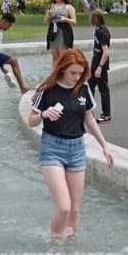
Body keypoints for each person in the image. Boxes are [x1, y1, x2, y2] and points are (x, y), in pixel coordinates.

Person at [27, 49, 113, 243]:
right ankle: (54, 244)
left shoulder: (83, 89)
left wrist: (104, 145)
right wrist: (43, 114)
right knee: (64, 206)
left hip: (76, 149)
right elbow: (31, 120)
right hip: (52, 148)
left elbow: (89, 118)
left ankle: (71, 248)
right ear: (63, 69)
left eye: (80, 73)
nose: (77, 77)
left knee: (74, 209)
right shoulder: (46, 90)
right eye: (73, 73)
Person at [0, 12, 30, 92]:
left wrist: (2, 67)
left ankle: (22, 87)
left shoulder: (0, 32)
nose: (9, 27)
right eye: (9, 25)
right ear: (4, 21)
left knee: (13, 61)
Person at [44, 0, 77, 67]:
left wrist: (65, 19)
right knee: (55, 57)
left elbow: (74, 21)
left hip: (63, 32)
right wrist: (48, 15)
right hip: (53, 32)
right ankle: (55, 75)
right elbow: (46, 21)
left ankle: (63, 74)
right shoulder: (51, 6)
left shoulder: (68, 7)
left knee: (63, 57)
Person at [89, 11, 112, 123]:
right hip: (95, 64)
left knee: (103, 90)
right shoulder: (98, 30)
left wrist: (100, 67)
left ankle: (106, 114)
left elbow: (106, 52)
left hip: (100, 66)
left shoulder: (102, 32)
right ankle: (88, 111)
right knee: (89, 87)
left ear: (96, 19)